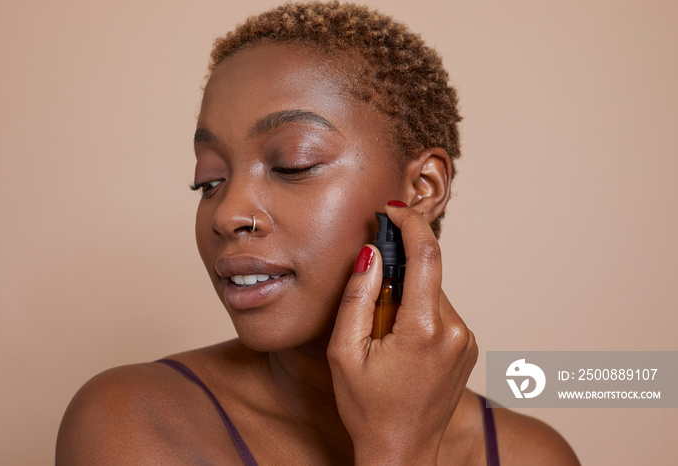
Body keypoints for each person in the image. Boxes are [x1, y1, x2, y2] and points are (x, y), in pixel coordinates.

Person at [56, 2, 580, 464]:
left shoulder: (529, 455)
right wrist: (397, 448)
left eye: (293, 164)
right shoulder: (132, 421)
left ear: (422, 187)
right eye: (209, 180)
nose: (226, 213)